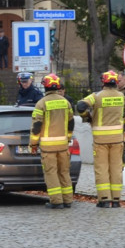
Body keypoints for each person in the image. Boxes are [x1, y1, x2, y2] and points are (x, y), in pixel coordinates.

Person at [77, 71, 125, 207]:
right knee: (116, 169)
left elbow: (80, 106)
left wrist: (87, 116)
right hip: (117, 139)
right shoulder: (121, 96)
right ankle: (116, 200)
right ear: (116, 82)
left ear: (103, 82)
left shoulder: (97, 96)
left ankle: (104, 199)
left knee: (102, 168)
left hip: (100, 140)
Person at [30, 73, 75, 209]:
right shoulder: (65, 102)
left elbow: (36, 126)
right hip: (63, 145)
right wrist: (67, 138)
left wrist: (33, 144)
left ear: (45, 87)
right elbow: (71, 123)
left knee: (51, 173)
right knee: (64, 172)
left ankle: (56, 201)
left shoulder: (41, 103)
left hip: (48, 147)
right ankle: (68, 200)